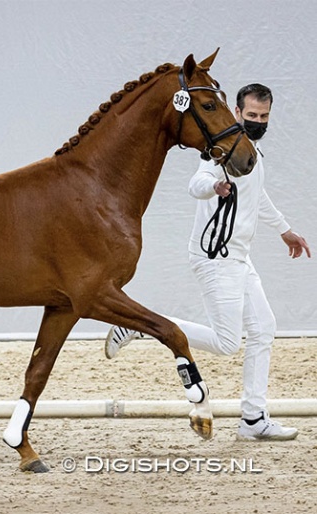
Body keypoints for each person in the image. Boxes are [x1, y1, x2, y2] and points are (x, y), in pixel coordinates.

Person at [105, 83, 311, 441]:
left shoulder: (251, 154)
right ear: (236, 111)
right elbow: (196, 182)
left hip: (239, 258)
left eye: (264, 117)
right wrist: (213, 188)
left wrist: (285, 230)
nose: (258, 122)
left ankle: (252, 419)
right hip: (216, 257)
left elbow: (257, 196)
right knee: (228, 343)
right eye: (251, 116)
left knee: (263, 328)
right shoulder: (218, 152)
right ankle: (142, 325)